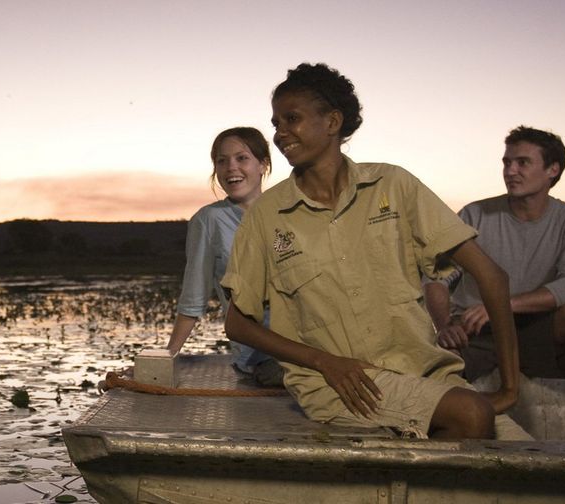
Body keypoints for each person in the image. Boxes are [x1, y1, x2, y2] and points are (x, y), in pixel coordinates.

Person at [222, 63, 528, 440]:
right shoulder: (266, 216)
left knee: (529, 459)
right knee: (471, 414)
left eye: (292, 119)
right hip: (343, 388)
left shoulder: (394, 186)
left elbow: (492, 275)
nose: (279, 133)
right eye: (276, 122)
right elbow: (237, 323)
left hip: (425, 374)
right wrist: (324, 361)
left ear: (332, 122)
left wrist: (510, 389)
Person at [424, 125, 565, 442]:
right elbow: (435, 278)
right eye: (506, 163)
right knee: (419, 361)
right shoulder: (476, 214)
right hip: (476, 332)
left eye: (522, 163)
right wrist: (443, 326)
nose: (511, 171)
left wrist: (501, 305)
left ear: (553, 170)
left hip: (536, 331)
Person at [167, 127, 283, 386]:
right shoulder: (209, 220)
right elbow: (193, 298)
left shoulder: (289, 212)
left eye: (242, 158)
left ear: (263, 164)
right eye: (222, 160)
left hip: (312, 341)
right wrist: (166, 357)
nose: (231, 167)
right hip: (263, 356)